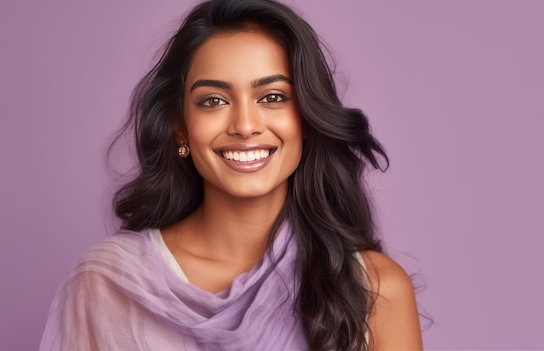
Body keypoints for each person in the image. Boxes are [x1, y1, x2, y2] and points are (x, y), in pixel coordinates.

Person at [40, 0, 422, 349]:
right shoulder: (106, 284)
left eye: (272, 97)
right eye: (214, 101)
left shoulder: (373, 287)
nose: (244, 125)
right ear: (181, 128)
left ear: (306, 117)